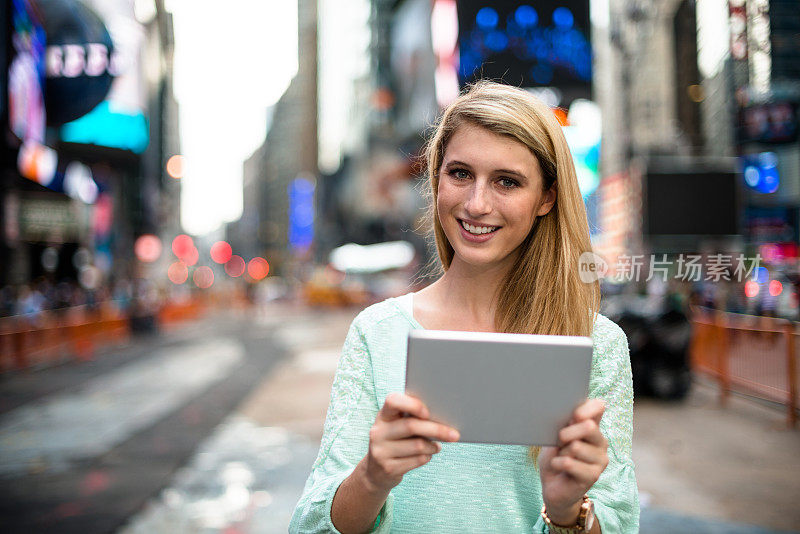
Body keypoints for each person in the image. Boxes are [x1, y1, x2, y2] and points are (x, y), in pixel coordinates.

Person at [290, 81, 639, 533]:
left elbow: (619, 523)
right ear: (436, 179)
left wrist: (567, 509)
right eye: (460, 174)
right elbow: (311, 524)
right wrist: (372, 477)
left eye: (507, 182)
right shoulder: (378, 332)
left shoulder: (596, 344)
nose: (477, 204)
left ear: (546, 198)